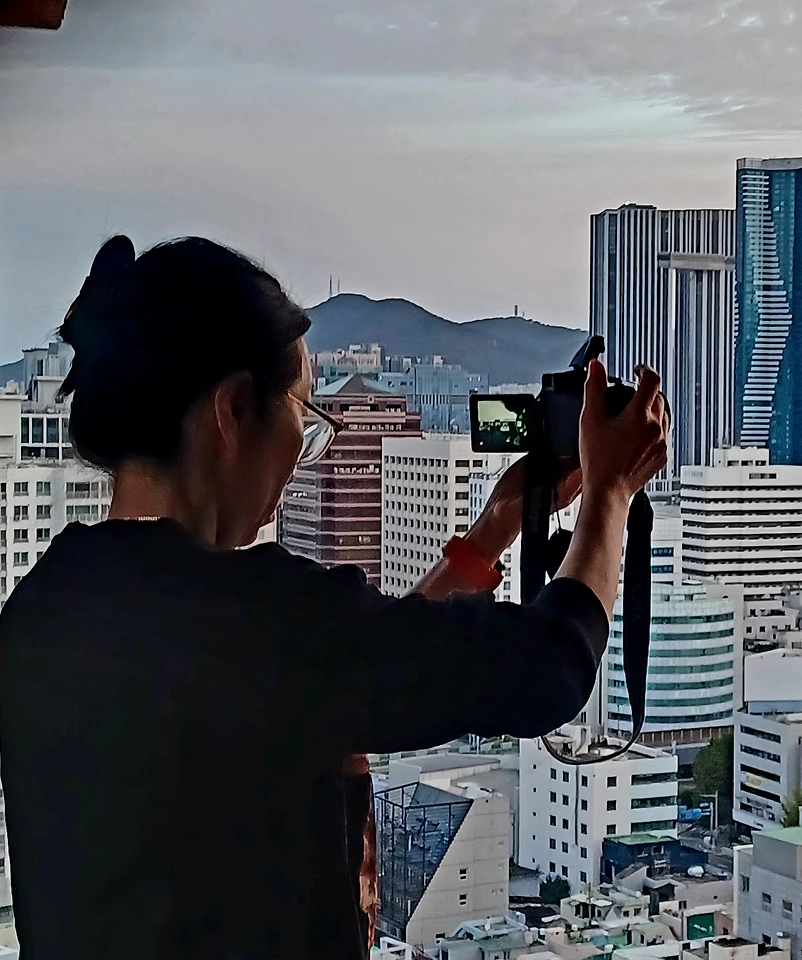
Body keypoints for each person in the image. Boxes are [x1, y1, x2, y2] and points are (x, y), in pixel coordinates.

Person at [0, 235, 668, 959]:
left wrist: (495, 529)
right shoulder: (261, 622)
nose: (302, 452)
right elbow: (551, 667)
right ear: (233, 410)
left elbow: (356, 671)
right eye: (306, 416)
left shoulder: (42, 609)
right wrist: (611, 492)